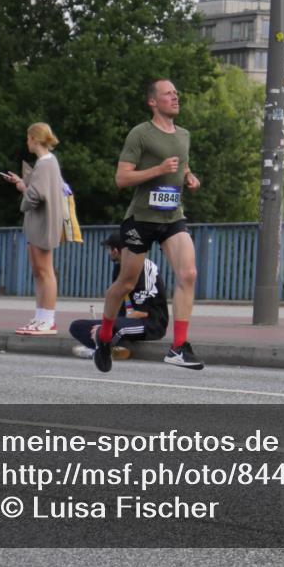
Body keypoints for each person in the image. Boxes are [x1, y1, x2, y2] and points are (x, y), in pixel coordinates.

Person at [93, 78, 202, 373]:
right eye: (168, 94)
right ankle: (105, 337)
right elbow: (121, 178)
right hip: (141, 219)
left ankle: (178, 347)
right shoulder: (140, 134)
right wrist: (158, 170)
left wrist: (188, 177)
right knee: (126, 283)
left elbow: (182, 164)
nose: (175, 97)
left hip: (172, 217)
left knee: (188, 274)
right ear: (153, 101)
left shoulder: (184, 135)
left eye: (176, 93)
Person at [1, 122, 64, 336]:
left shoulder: (45, 163)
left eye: (28, 138)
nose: (26, 142)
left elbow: (36, 196)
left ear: (35, 139)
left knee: (45, 271)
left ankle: (47, 319)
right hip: (41, 222)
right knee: (38, 272)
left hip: (42, 223)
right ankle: (40, 317)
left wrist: (23, 191)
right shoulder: (48, 162)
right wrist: (23, 183)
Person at [69, 233, 169, 360]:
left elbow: (142, 313)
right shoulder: (118, 269)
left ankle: (100, 350)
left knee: (109, 329)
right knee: (76, 326)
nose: (108, 253)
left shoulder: (146, 269)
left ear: (115, 251)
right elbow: (117, 302)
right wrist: (108, 322)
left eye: (108, 249)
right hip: (127, 321)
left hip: (150, 324)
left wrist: (107, 327)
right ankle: (108, 349)